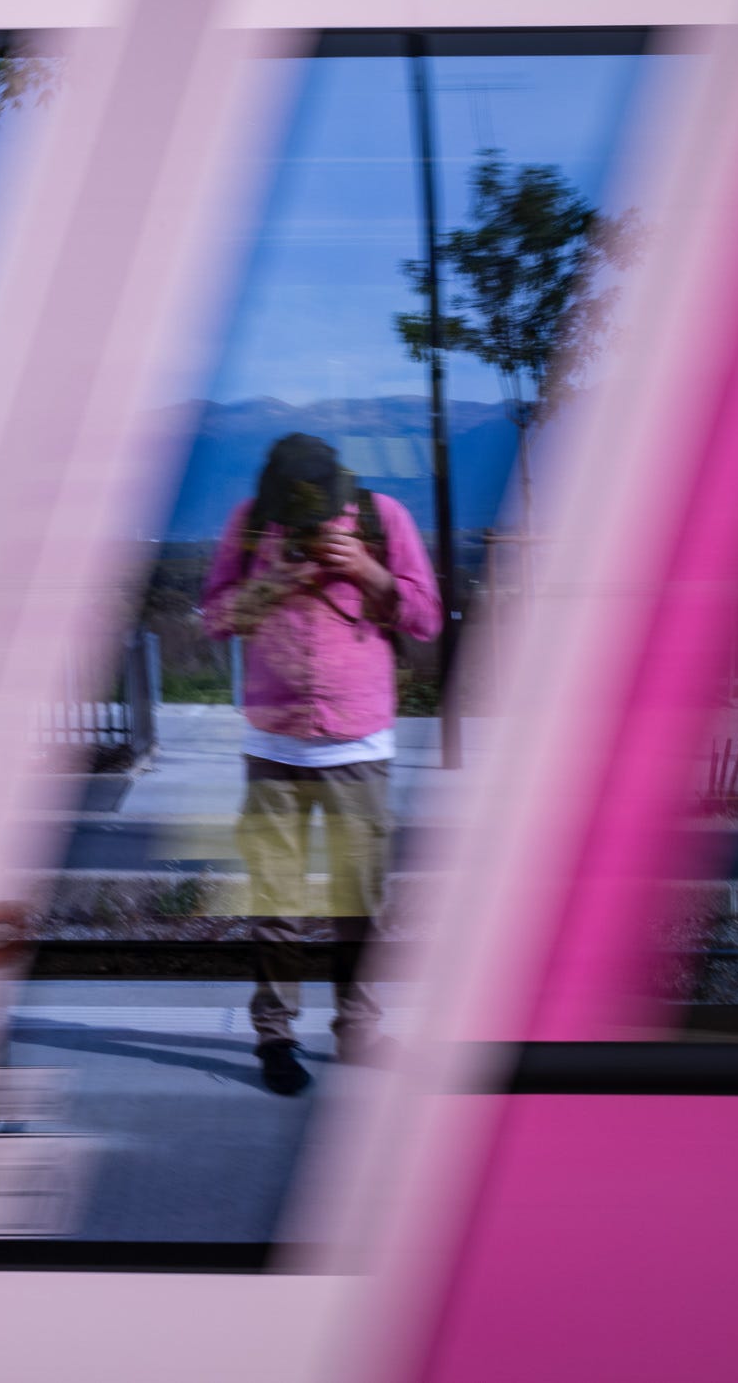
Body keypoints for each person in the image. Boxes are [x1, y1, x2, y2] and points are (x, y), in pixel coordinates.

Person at [200, 433, 441, 1095]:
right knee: (276, 898)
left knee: (360, 898)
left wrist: (369, 572)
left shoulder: (380, 517)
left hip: (359, 742)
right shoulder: (250, 524)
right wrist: (274, 580)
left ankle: (359, 1028)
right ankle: (275, 1037)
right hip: (274, 741)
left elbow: (426, 618)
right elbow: (216, 617)